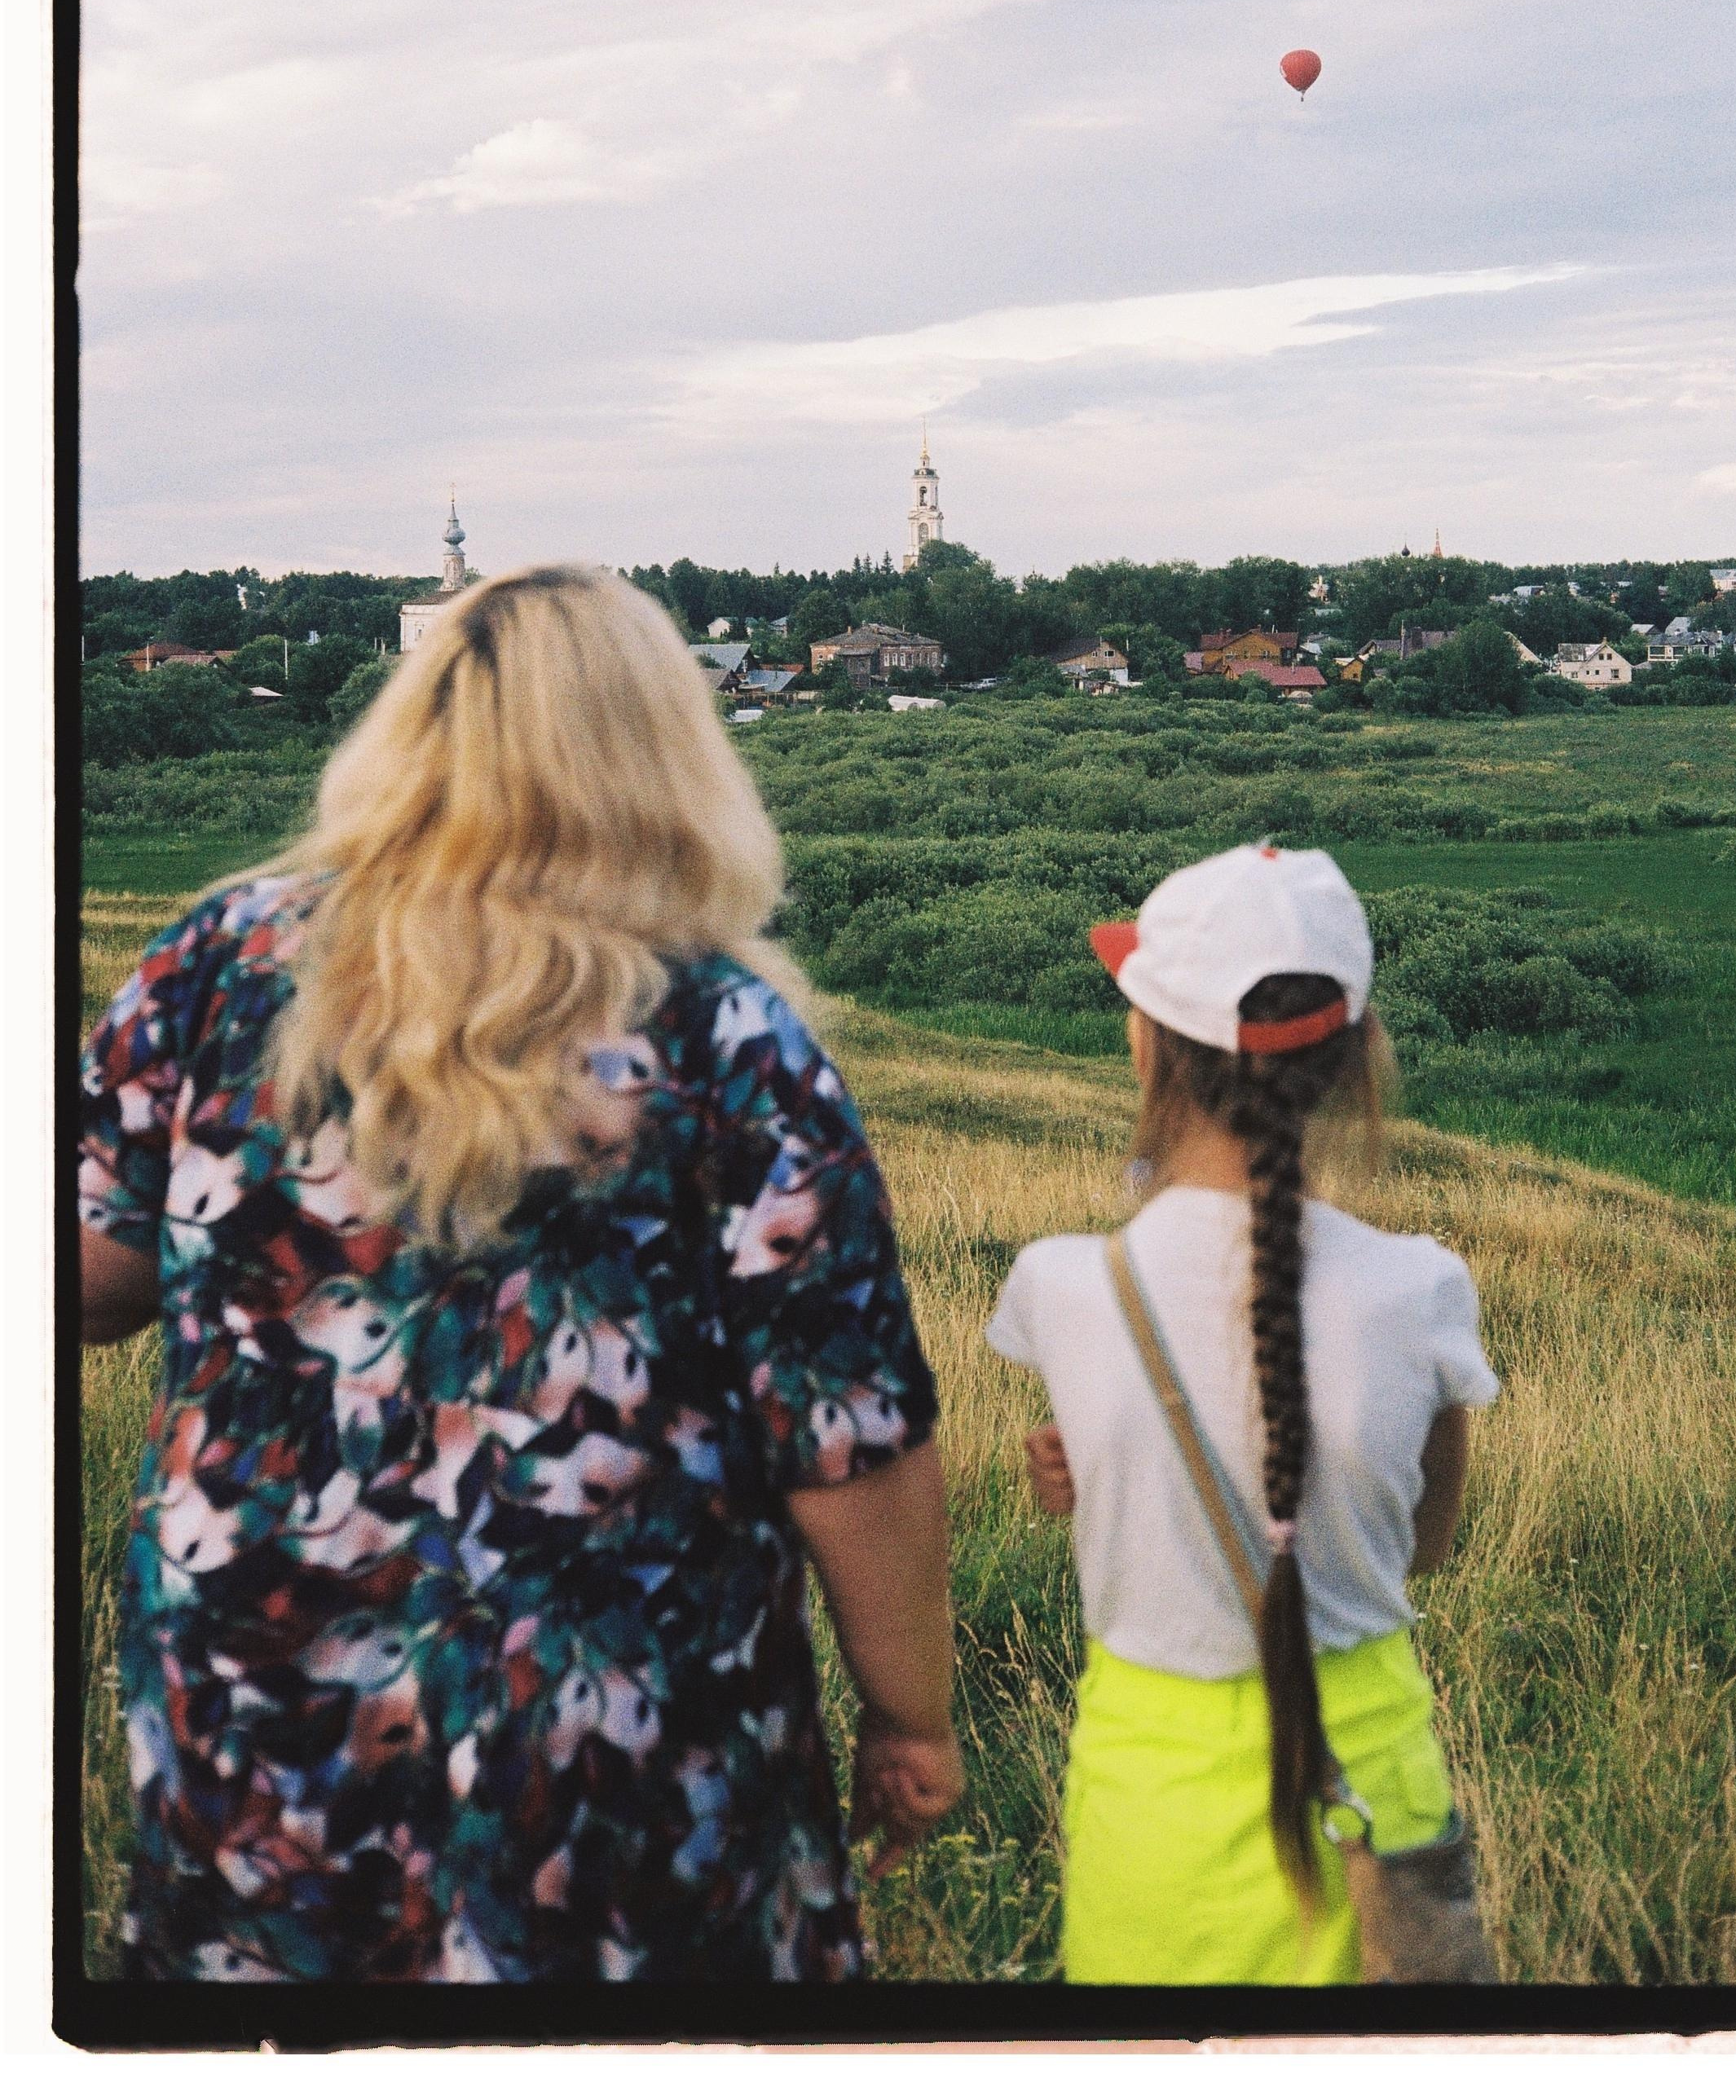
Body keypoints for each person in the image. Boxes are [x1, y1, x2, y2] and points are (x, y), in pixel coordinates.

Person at [79, 565, 962, 1983]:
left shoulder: (211, 969)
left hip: (259, 1729)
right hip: (627, 1754)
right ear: (664, 752)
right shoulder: (722, 1035)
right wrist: (910, 1713)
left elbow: (87, 1275)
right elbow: (846, 1436)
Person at [986, 843, 1498, 1985]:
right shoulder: (1422, 1289)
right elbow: (1419, 1542)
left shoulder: (1063, 1286)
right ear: (1358, 1053)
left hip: (1149, 1813)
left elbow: (1141, 1492)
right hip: (1375, 1801)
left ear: (1145, 1042)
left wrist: (1093, 1480)